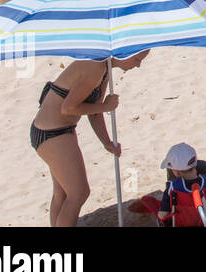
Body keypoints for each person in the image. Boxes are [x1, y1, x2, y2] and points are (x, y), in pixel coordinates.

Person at [31, 52, 148, 226]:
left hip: (56, 131)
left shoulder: (104, 69)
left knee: (62, 193)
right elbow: (68, 108)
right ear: (125, 54)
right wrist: (105, 106)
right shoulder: (95, 67)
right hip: (52, 133)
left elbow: (94, 113)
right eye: (137, 59)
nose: (138, 65)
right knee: (79, 193)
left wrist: (106, 142)